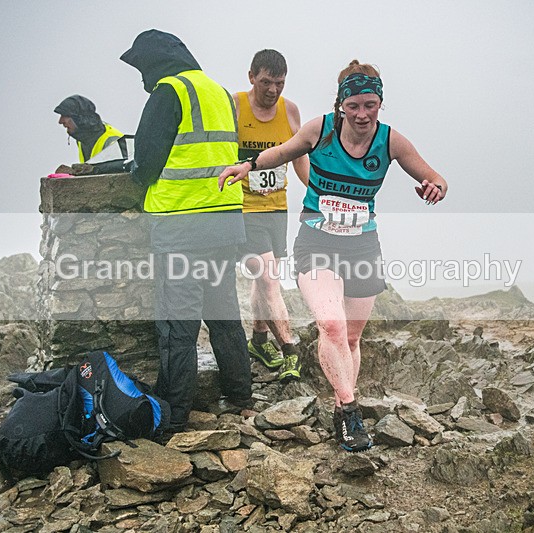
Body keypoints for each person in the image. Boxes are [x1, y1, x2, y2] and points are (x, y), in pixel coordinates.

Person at [220, 60, 448, 452]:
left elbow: (435, 177)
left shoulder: (391, 141)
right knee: (331, 326)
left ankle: (345, 399)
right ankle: (348, 410)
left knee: (353, 337)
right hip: (316, 240)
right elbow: (283, 152)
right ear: (341, 104)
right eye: (354, 106)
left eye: (370, 105)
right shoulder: (320, 129)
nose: (362, 114)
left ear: (380, 103)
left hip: (362, 245)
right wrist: (248, 165)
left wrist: (434, 187)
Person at [120, 29, 252, 434]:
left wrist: (137, 175)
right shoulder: (219, 92)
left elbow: (146, 162)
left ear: (154, 62)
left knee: (178, 324)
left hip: (181, 225)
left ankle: (174, 413)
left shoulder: (167, 92)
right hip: (224, 221)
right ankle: (241, 395)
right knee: (224, 313)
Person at [233, 49, 309, 382]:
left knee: (263, 278)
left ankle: (259, 340)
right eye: (266, 82)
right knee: (268, 278)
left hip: (277, 207)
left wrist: (315, 190)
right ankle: (290, 348)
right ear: (251, 76)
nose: (273, 90)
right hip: (243, 208)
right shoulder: (234, 105)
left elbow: (298, 156)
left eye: (279, 83)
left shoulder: (290, 111)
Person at [54, 95, 129, 163]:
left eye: (65, 116)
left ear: (80, 119)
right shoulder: (82, 141)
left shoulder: (113, 141)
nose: (60, 121)